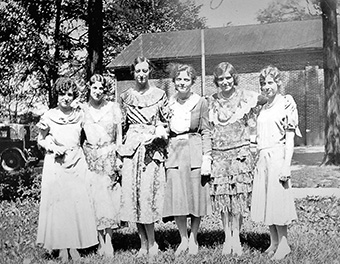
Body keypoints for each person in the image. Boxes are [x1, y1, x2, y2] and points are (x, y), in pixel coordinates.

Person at [36, 77, 98, 262]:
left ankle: (75, 246)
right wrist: (53, 147)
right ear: (57, 94)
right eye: (62, 93)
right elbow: (40, 140)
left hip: (77, 161)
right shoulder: (48, 116)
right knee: (60, 206)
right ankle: (62, 247)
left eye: (70, 94)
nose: (66, 97)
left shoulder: (80, 115)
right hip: (56, 163)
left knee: (75, 204)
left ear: (74, 96)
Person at [207, 62, 262, 256]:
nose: (225, 82)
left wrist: (284, 99)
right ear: (216, 81)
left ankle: (237, 237)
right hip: (219, 154)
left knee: (238, 197)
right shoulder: (211, 101)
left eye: (228, 78)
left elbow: (265, 101)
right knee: (223, 198)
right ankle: (227, 237)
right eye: (221, 79)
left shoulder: (246, 97)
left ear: (234, 78)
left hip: (240, 154)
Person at [118, 57, 170, 257]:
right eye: (138, 71)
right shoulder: (125, 97)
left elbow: (167, 123)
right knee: (134, 196)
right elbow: (120, 128)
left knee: (148, 195)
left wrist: (158, 132)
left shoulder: (159, 95)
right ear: (133, 73)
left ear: (150, 72)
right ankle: (142, 244)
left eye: (145, 71)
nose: (141, 75)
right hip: (131, 150)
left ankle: (153, 243)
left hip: (151, 149)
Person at [251, 65, 300, 260]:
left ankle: (285, 244)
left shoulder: (286, 104)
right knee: (267, 202)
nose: (266, 86)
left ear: (278, 83)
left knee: (278, 202)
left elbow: (289, 139)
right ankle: (274, 241)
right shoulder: (263, 106)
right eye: (263, 83)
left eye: (270, 82)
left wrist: (286, 165)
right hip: (263, 158)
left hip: (278, 157)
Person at [163, 64, 212, 256]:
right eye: (179, 79)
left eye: (186, 79)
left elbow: (206, 130)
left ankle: (194, 238)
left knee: (195, 198)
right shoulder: (169, 103)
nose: (182, 83)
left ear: (192, 82)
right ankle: (183, 239)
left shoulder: (200, 102)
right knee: (178, 198)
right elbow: (165, 128)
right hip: (174, 151)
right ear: (174, 82)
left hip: (194, 150)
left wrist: (206, 156)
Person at [82, 74, 123, 257]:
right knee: (96, 199)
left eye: (101, 88)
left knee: (109, 199)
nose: (98, 91)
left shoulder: (113, 108)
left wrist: (119, 156)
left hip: (109, 155)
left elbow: (119, 134)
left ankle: (109, 241)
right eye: (94, 88)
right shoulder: (82, 109)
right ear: (89, 88)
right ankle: (100, 241)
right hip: (91, 157)